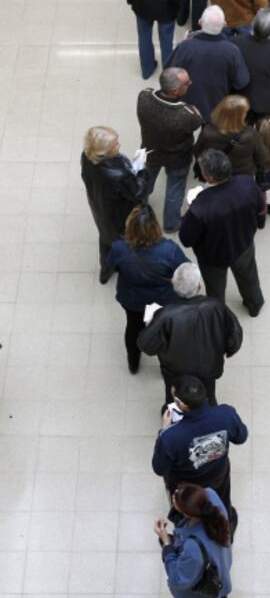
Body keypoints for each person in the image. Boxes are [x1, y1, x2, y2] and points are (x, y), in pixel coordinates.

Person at [138, 262, 243, 405]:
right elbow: (235, 336)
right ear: (199, 285)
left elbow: (145, 344)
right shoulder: (217, 306)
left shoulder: (165, 315)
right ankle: (209, 414)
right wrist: (228, 350)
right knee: (208, 396)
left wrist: (151, 325)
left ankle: (174, 419)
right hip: (209, 367)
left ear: (175, 288)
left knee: (174, 398)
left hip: (175, 371)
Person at [179, 149, 265, 315]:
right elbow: (260, 208)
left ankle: (219, 317)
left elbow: (186, 239)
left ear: (209, 177)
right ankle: (255, 305)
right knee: (249, 276)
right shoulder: (247, 183)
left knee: (215, 289)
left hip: (212, 256)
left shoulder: (199, 207)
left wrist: (186, 212)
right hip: (243, 245)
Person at [106, 204, 188, 374]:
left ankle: (133, 362)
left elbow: (111, 266)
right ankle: (166, 364)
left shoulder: (119, 248)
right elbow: (185, 270)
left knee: (133, 327)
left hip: (132, 299)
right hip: (162, 299)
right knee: (164, 330)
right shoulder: (169, 250)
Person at [152, 374, 248, 516]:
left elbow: (159, 468)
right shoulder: (226, 414)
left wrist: (164, 430)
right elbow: (241, 437)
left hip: (187, 487)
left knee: (188, 513)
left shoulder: (170, 437)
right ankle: (225, 522)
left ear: (183, 405)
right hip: (218, 474)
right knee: (221, 502)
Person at [155, 482, 232, 598]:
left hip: (200, 595)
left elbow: (179, 579)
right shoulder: (211, 497)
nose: (174, 494)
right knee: (219, 594)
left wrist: (167, 543)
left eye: (177, 497)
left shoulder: (192, 548)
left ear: (188, 513)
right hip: (220, 570)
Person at [137, 68, 202, 233]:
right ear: (175, 91)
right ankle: (171, 224)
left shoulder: (144, 97)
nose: (191, 83)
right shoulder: (187, 114)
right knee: (174, 190)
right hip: (177, 158)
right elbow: (198, 121)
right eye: (187, 83)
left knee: (146, 180)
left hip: (150, 152)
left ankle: (139, 205)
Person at [81, 126, 147, 284]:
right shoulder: (119, 176)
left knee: (105, 241)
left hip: (100, 209)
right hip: (121, 217)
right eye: (115, 145)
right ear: (104, 152)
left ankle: (105, 271)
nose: (120, 145)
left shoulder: (86, 157)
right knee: (128, 244)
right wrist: (141, 170)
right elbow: (138, 191)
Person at [165, 5, 249, 122]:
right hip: (218, 109)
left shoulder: (185, 47)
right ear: (224, 25)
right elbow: (242, 82)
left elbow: (168, 71)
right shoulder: (232, 51)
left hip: (188, 107)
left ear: (200, 22)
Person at [193, 95, 266, 178]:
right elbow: (261, 157)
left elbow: (197, 152)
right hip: (243, 176)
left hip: (218, 176)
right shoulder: (250, 134)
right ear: (238, 117)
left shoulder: (207, 132)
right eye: (245, 112)